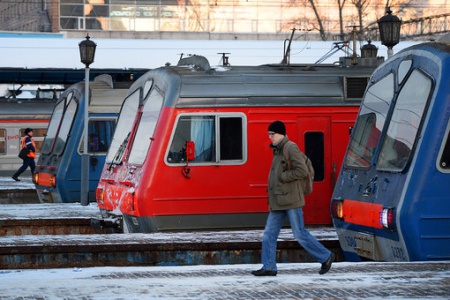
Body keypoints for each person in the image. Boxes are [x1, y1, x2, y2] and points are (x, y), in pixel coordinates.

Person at [251, 120, 335, 276]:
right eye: (269, 134)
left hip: (292, 200)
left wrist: (284, 176)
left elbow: (302, 171)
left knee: (299, 234)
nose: (270, 137)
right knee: (269, 234)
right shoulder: (277, 150)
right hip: (279, 200)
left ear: (280, 134)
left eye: (272, 134)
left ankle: (326, 256)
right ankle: (269, 266)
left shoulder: (290, 147)